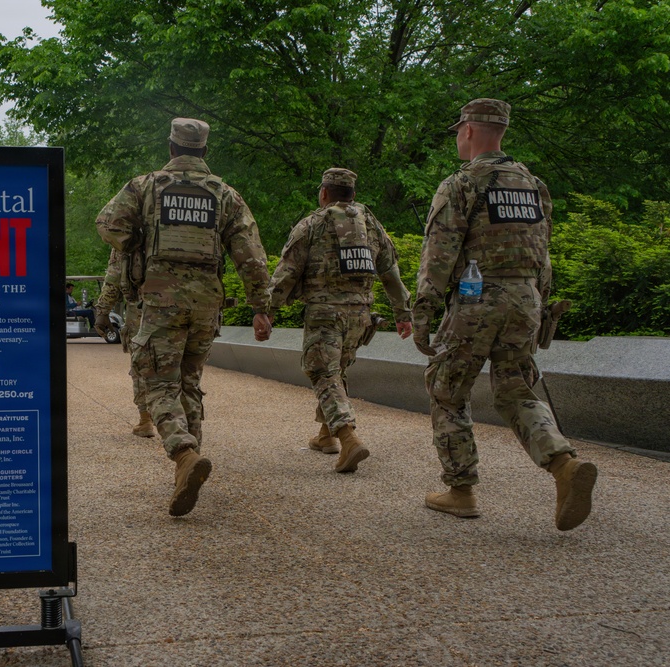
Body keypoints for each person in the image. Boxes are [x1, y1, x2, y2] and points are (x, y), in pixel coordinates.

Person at [412, 98, 597, 530]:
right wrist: (539, 305)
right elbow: (543, 254)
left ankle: (460, 491)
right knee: (516, 391)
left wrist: (422, 313)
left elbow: (437, 257)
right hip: (526, 300)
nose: (458, 136)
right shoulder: (533, 185)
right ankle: (564, 465)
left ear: (470, 130)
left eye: (459, 129)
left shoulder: (461, 184)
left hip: (477, 301)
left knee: (446, 389)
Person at [96, 117, 273, 517]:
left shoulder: (145, 186)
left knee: (156, 382)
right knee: (189, 383)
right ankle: (188, 467)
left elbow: (107, 223)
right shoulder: (225, 194)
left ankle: (183, 453)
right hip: (207, 302)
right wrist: (261, 307)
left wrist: (138, 243)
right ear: (204, 152)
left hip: (160, 298)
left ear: (172, 148)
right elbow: (251, 256)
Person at [268, 168, 413, 473]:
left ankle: (348, 438)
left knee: (322, 372)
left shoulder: (313, 223)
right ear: (353, 194)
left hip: (325, 313)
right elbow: (390, 271)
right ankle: (325, 436)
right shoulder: (372, 225)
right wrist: (403, 313)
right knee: (337, 371)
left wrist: (267, 310)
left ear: (324, 193)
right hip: (360, 316)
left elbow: (287, 272)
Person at [94, 248, 158, 438]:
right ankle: (182, 421)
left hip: (141, 310)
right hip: (182, 307)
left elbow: (114, 277)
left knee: (141, 365)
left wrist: (103, 311)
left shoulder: (128, 232)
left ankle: (146, 420)